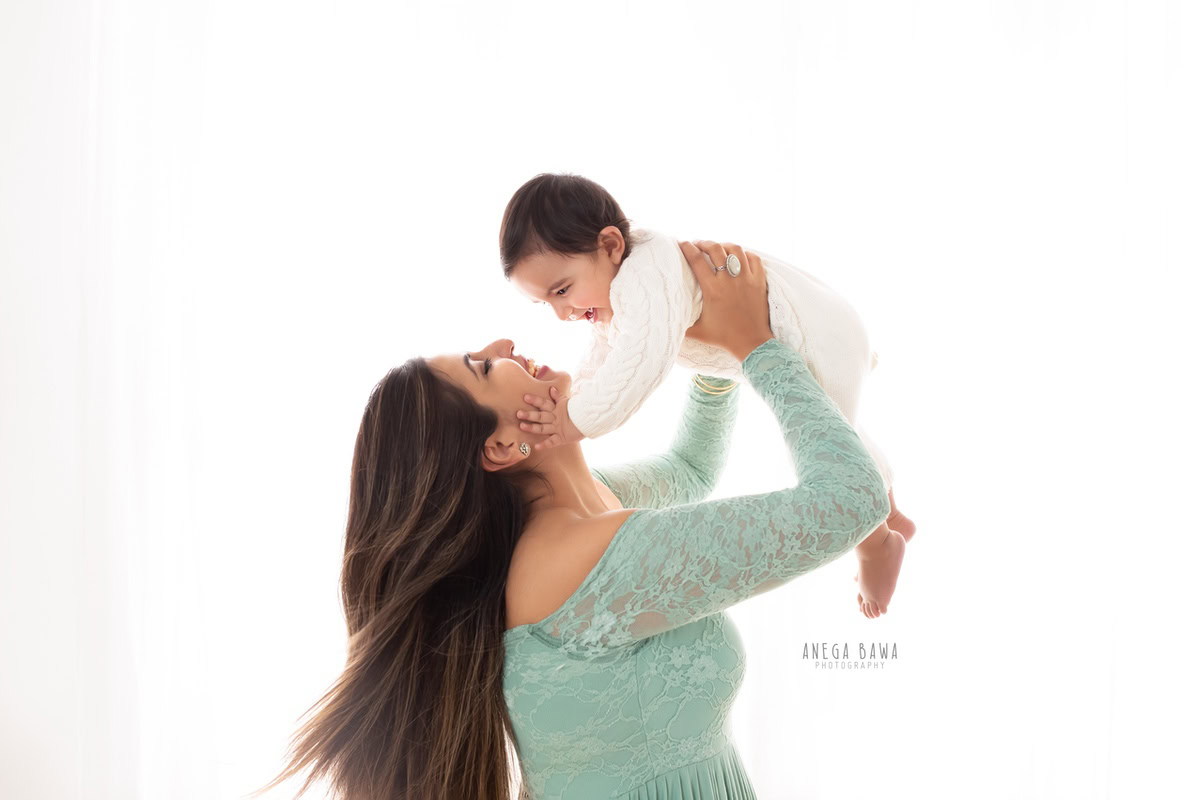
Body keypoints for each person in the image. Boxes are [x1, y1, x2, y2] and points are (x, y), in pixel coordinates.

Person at [254, 240, 890, 800]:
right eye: (481, 366)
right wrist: (757, 345)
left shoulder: (584, 515)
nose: (503, 344)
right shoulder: (574, 560)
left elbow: (691, 469)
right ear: (501, 448)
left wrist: (711, 358)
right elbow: (853, 501)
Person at [499, 172, 914, 619]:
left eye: (563, 291)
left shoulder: (644, 277)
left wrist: (574, 420)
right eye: (547, 303)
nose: (563, 313)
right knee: (841, 430)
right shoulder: (619, 285)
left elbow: (640, 362)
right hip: (814, 325)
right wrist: (572, 401)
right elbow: (606, 354)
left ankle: (876, 546)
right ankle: (891, 513)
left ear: (611, 245)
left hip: (813, 334)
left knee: (825, 447)